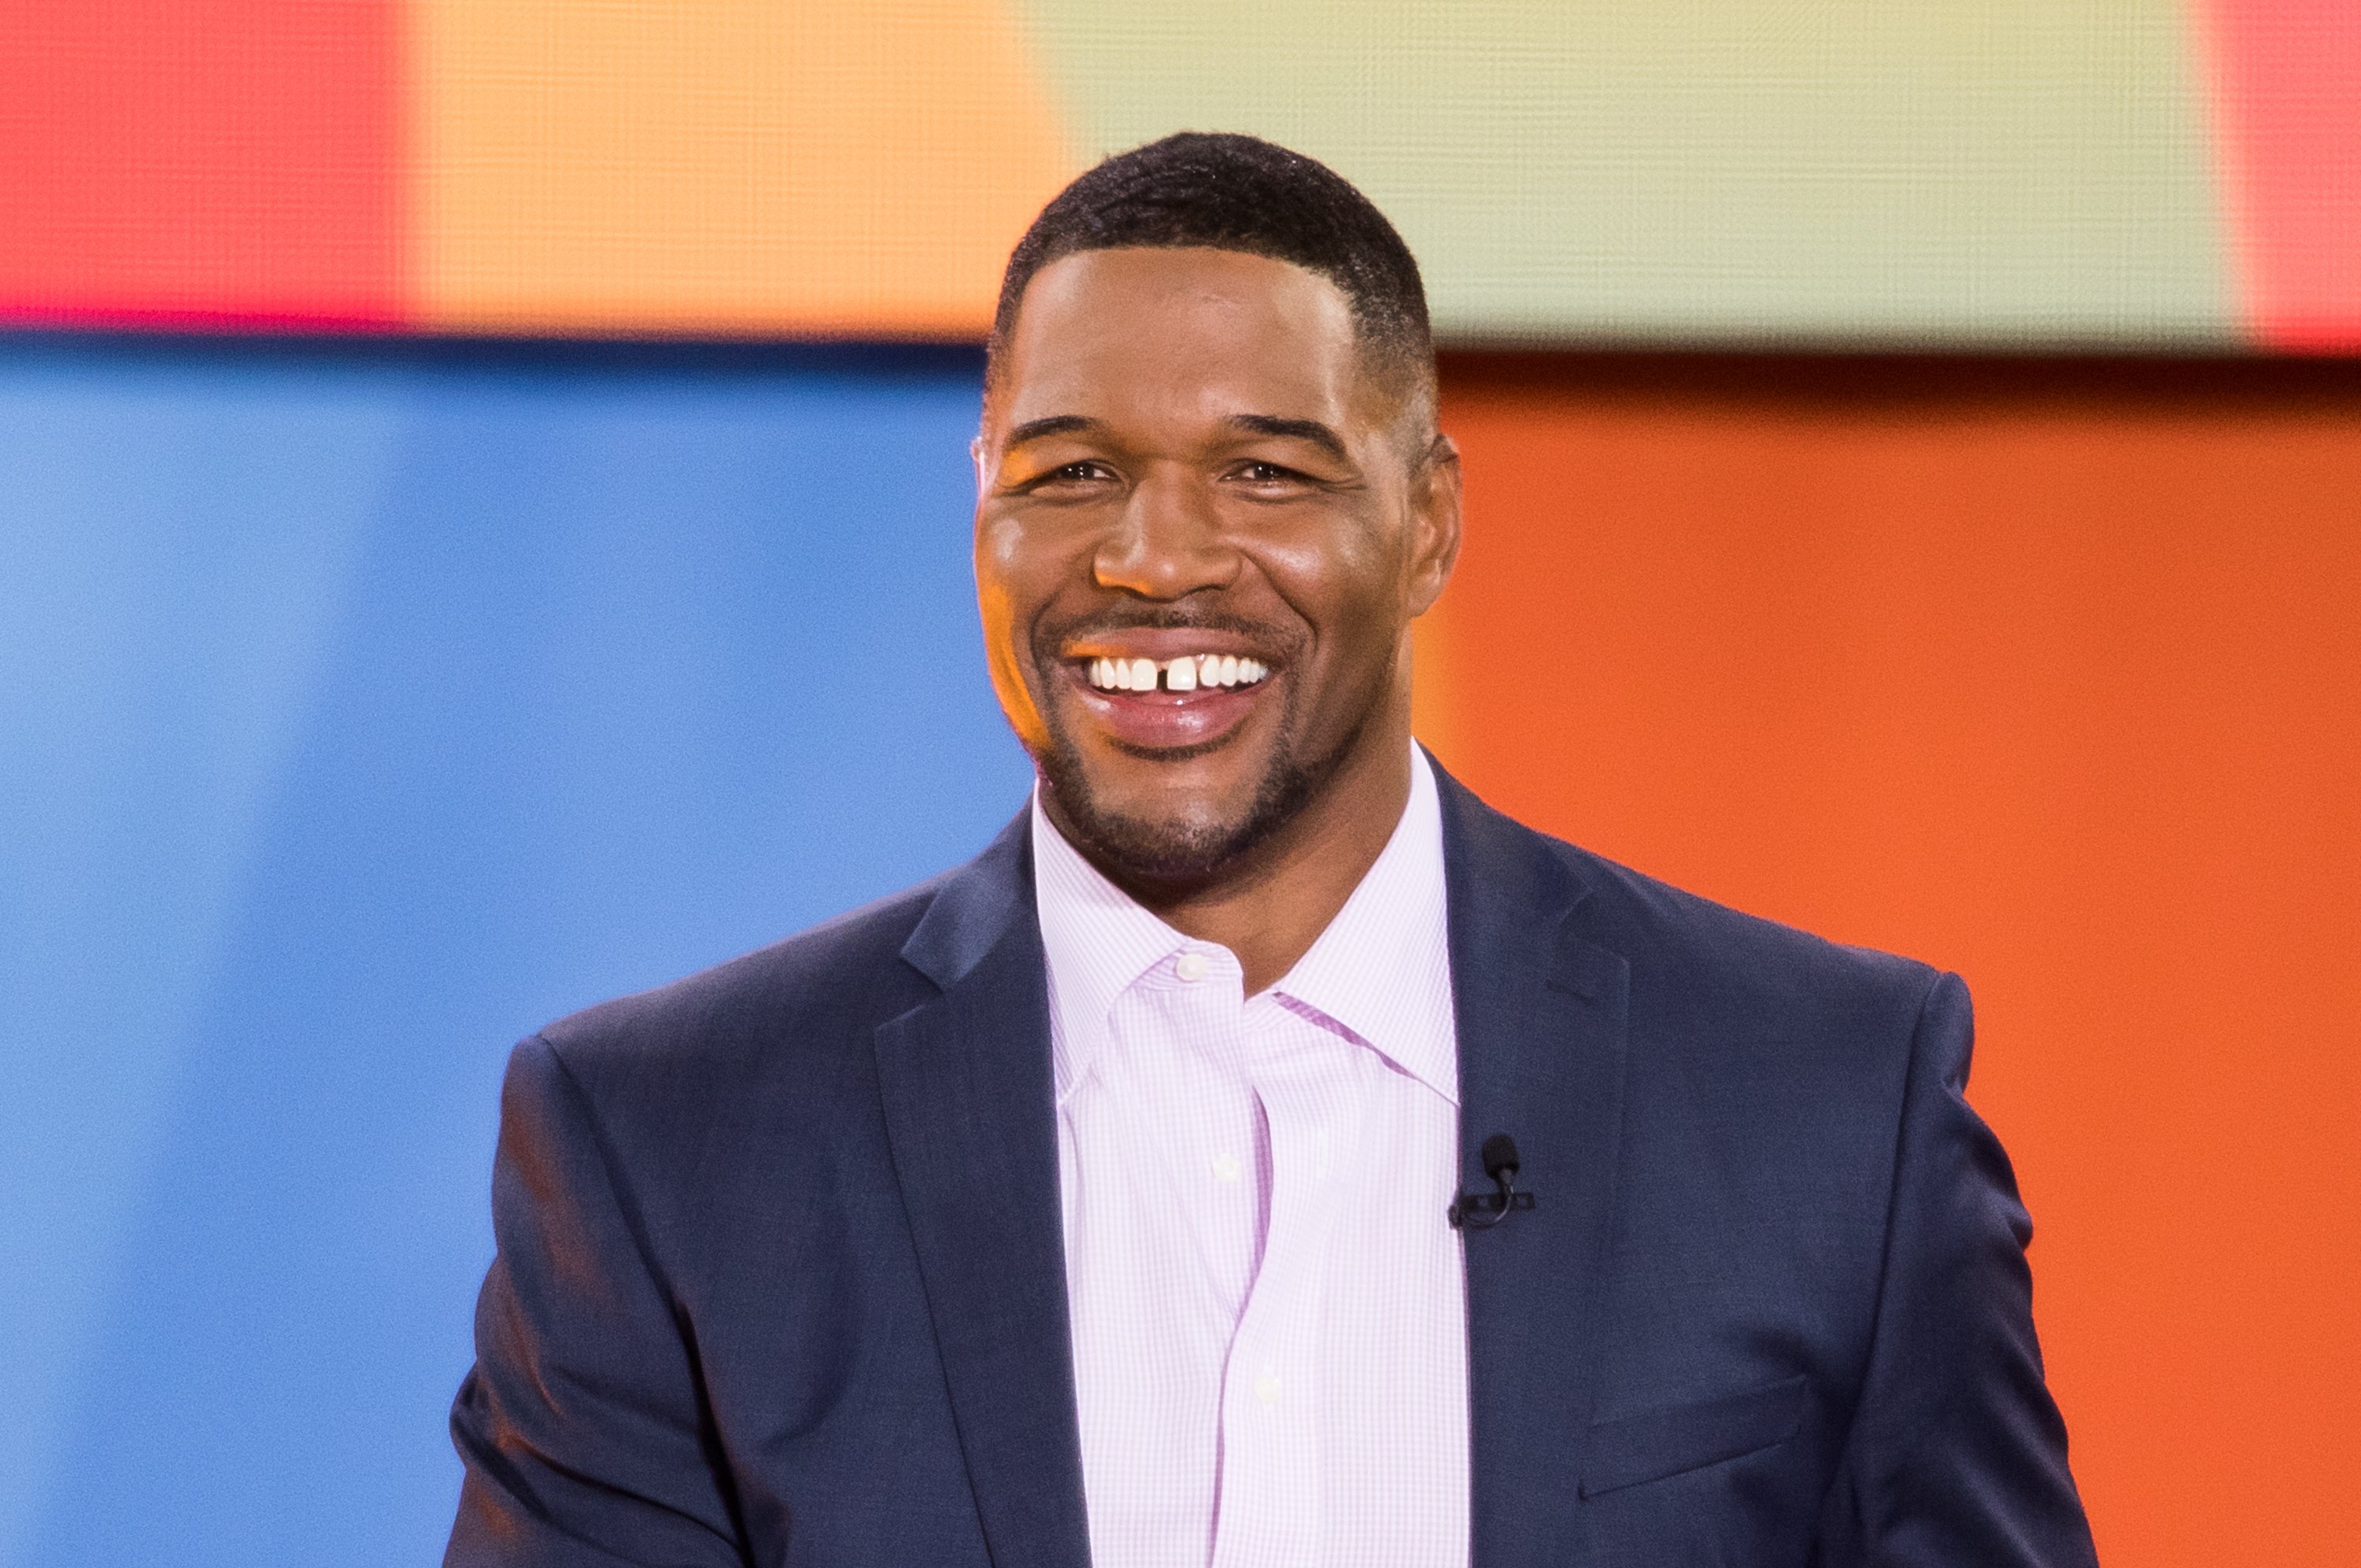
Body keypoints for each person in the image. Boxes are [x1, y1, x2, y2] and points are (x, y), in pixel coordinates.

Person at [445, 133, 2097, 1568]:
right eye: (1071, 472)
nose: (1155, 561)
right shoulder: (667, 1151)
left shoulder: (1824, 1106)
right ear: (983, 510)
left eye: (1264, 472)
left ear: (1430, 518)